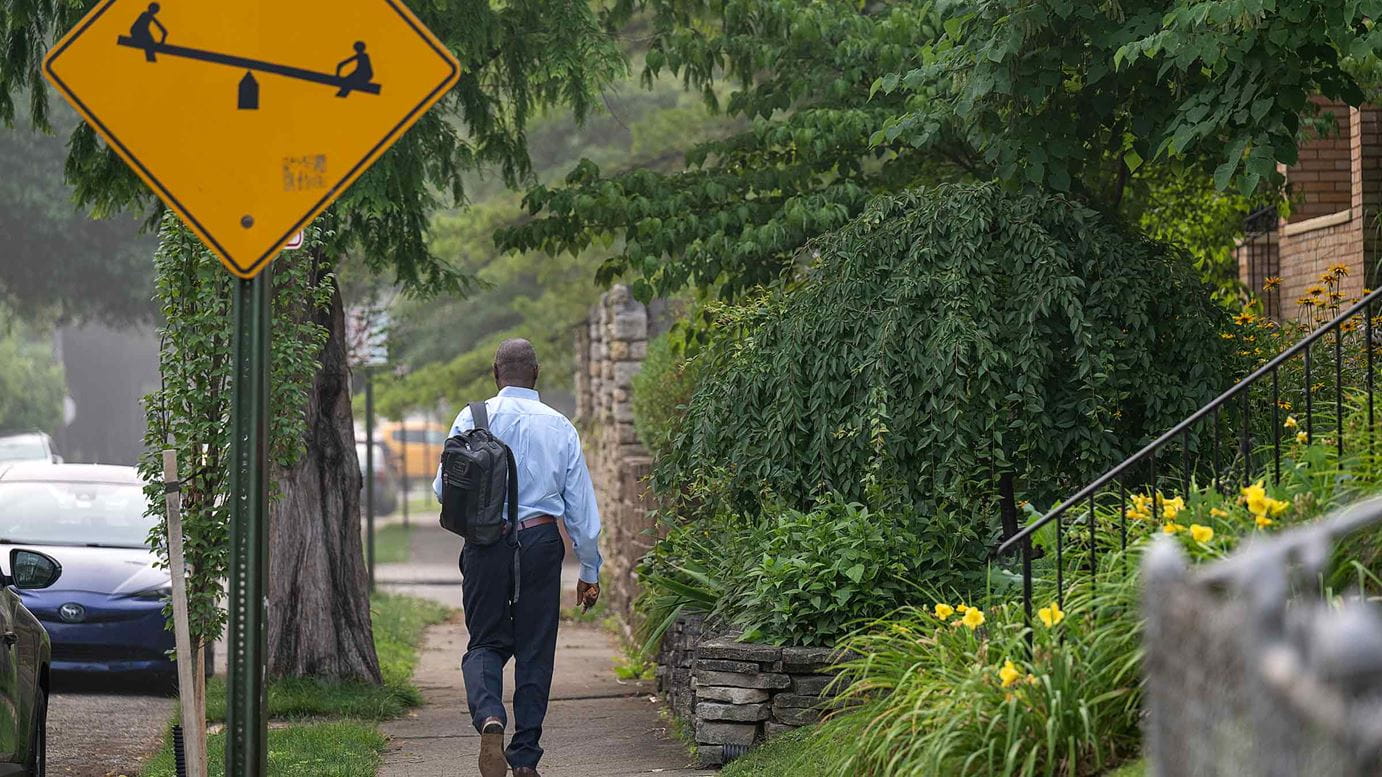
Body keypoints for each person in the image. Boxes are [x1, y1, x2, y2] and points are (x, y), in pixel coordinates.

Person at [433, 339, 602, 777]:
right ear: (537, 374)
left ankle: (490, 715)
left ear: (495, 373)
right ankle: (525, 759)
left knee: (485, 642)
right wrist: (589, 568)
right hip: (541, 543)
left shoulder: (472, 417)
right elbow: (580, 506)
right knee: (535, 648)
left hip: (486, 545)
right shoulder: (560, 425)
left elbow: (441, 489)